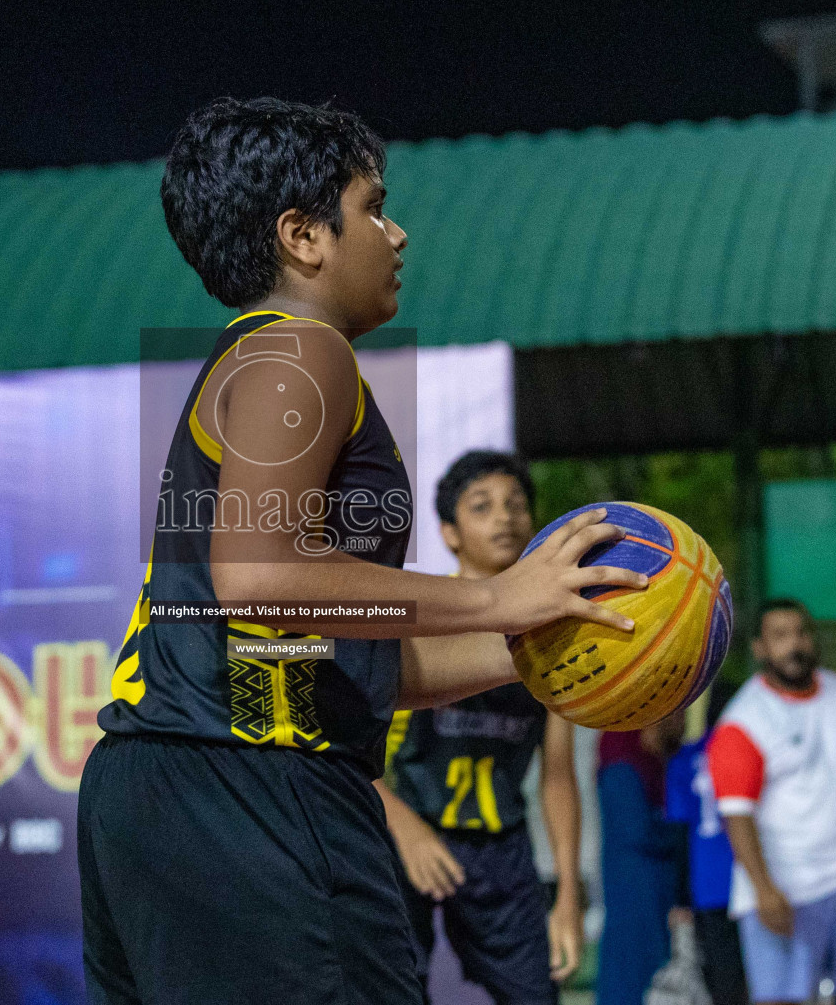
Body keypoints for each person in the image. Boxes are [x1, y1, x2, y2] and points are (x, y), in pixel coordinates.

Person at [80, 97, 650, 1004]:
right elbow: (264, 580)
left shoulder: (260, 359)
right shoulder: (305, 352)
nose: (399, 232)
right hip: (254, 786)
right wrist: (501, 598)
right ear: (304, 236)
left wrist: (536, 645)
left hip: (169, 784)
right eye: (375, 206)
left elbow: (340, 649)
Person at [375, 451, 584, 1005]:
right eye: (482, 506)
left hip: (500, 844)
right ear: (449, 533)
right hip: (398, 832)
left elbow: (558, 777)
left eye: (517, 505)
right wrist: (407, 830)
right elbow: (345, 749)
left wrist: (567, 897)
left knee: (538, 996)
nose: (505, 517)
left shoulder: (556, 634)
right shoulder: (418, 616)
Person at [706, 600, 836, 1005]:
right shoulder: (744, 721)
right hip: (785, 892)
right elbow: (737, 815)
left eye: (801, 632)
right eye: (780, 636)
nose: (795, 645)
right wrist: (765, 890)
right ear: (759, 648)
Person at [665, 680, 748, 1005]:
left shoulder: (685, 759)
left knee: (720, 984)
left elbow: (680, 833)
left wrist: (680, 899)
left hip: (707, 885)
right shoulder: (750, 751)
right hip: (748, 882)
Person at [596, 714, 688, 1005]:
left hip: (657, 890)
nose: (681, 724)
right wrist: (680, 832)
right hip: (634, 888)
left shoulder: (659, 763)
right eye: (677, 715)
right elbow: (636, 829)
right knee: (631, 970)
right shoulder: (622, 753)